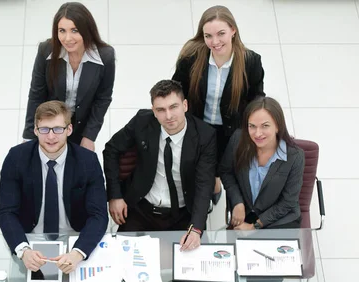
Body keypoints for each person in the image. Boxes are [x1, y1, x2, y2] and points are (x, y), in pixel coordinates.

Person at [103, 80, 216, 250]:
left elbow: (204, 184)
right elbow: (111, 150)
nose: (168, 116)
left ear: (185, 105)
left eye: (173, 107)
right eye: (161, 110)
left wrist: (196, 228)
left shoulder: (205, 135)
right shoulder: (142, 122)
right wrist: (115, 196)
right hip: (142, 209)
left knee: (190, 265)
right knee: (121, 256)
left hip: (183, 213)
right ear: (153, 111)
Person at [0, 100, 108, 273]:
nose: (51, 137)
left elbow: (99, 215)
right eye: (44, 129)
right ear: (35, 130)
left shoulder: (88, 161)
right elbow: (6, 212)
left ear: (69, 130)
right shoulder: (16, 158)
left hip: (75, 239)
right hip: (31, 238)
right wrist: (23, 250)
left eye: (58, 129)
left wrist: (77, 253)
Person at [172, 5, 265, 205]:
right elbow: (176, 90)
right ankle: (209, 187)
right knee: (198, 169)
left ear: (233, 30)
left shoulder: (251, 62)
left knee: (223, 168)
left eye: (221, 33)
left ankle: (215, 183)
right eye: (208, 36)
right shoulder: (192, 58)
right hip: (198, 124)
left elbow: (257, 99)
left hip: (232, 128)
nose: (214, 42)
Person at [22, 2, 115, 152]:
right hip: (50, 127)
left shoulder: (105, 56)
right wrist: (29, 136)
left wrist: (89, 136)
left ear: (87, 30)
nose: (67, 38)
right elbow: (36, 95)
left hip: (81, 128)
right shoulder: (46, 51)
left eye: (74, 30)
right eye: (62, 31)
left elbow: (103, 98)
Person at [219, 97, 304, 230]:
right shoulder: (237, 140)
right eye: (252, 126)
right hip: (246, 213)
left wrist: (255, 226)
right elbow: (226, 172)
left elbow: (288, 202)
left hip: (279, 219)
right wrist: (237, 202)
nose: (257, 134)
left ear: (277, 126)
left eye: (265, 126)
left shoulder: (295, 156)